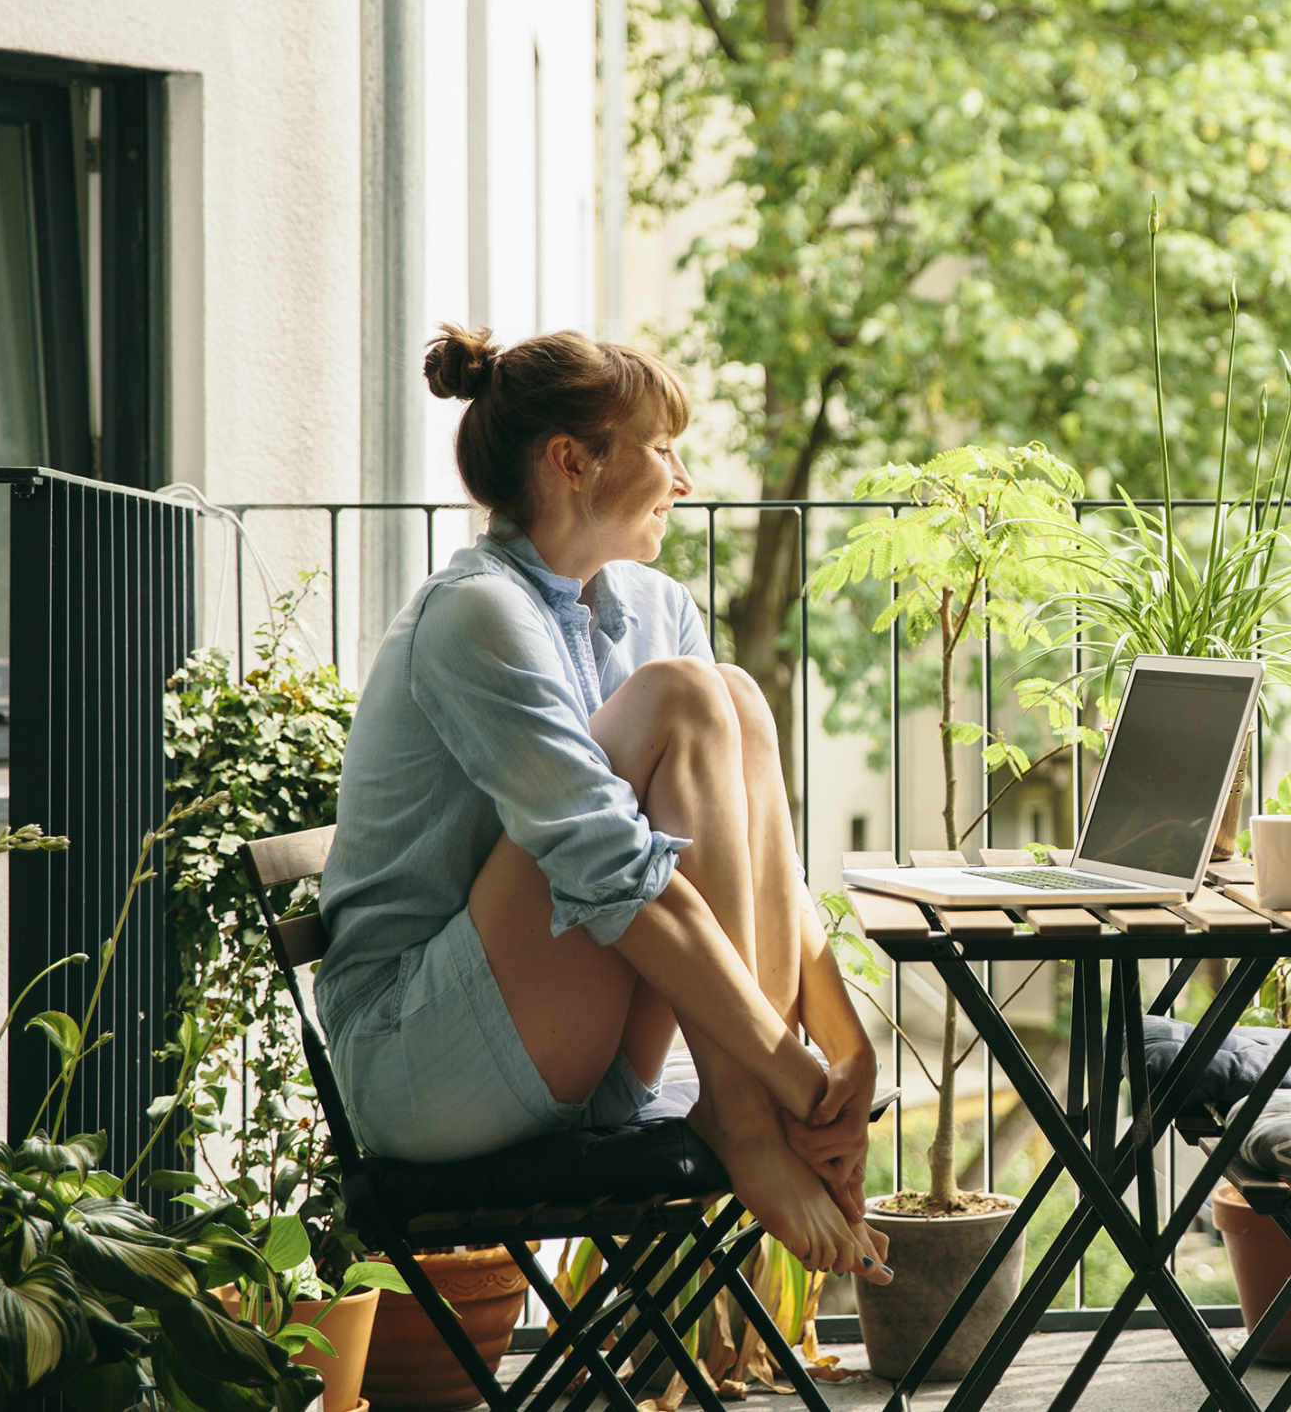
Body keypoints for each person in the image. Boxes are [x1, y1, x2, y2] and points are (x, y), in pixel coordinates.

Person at [315, 325, 889, 1280]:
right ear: (572, 461)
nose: (685, 477)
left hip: (565, 1039)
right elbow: (615, 875)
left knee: (734, 696)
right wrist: (790, 1084)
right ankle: (742, 1119)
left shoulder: (654, 607)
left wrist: (843, 1049)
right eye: (663, 448)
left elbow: (746, 855)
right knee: (687, 698)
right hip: (422, 1063)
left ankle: (747, 1107)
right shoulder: (475, 614)